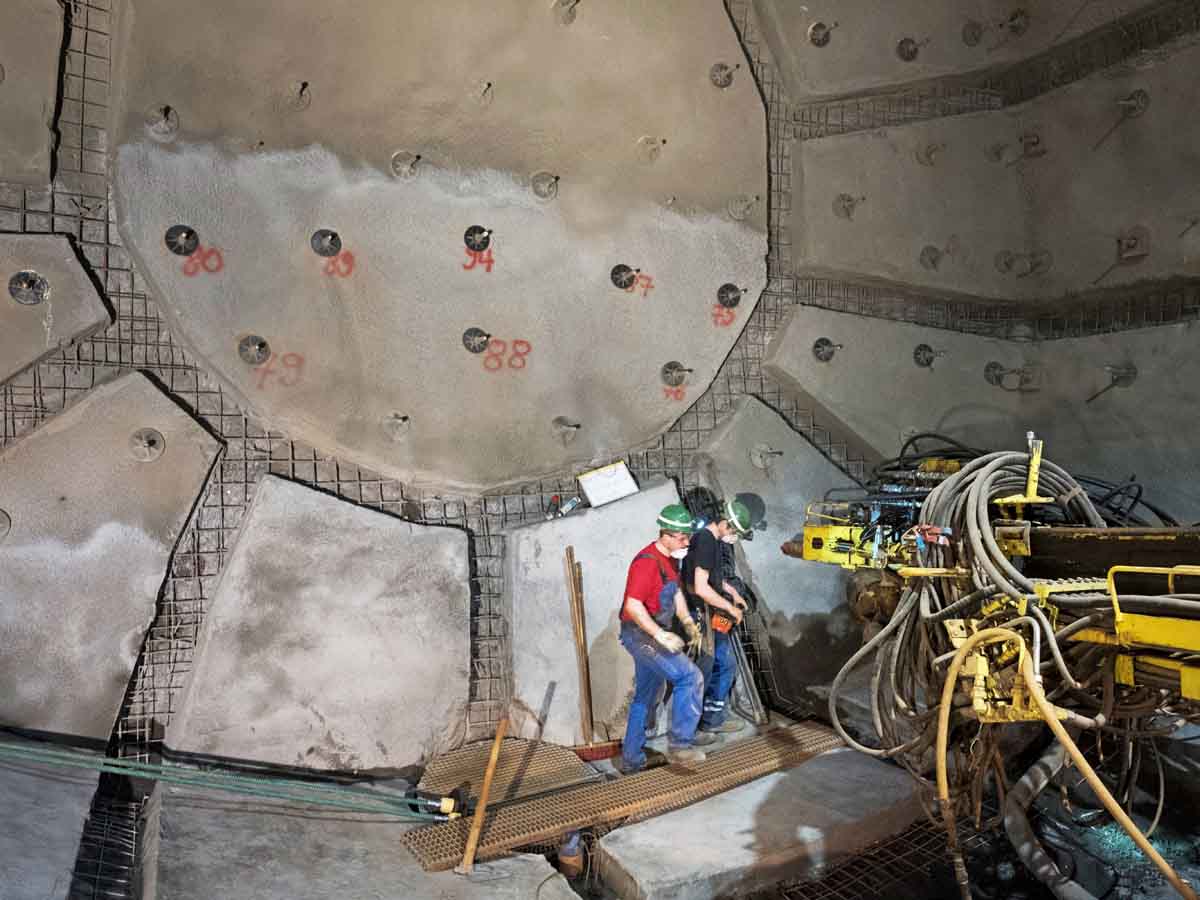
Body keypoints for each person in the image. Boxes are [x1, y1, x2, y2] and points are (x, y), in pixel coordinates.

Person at [616, 504, 713, 773]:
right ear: (666, 535)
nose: (687, 542)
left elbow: (676, 592)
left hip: (652, 633)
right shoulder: (646, 563)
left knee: (645, 696)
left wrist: (686, 621)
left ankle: (631, 760)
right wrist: (660, 635)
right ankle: (681, 746)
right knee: (690, 677)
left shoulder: (671, 558)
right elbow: (633, 606)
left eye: (688, 537)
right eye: (682, 537)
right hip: (641, 635)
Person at [683, 497, 753, 735]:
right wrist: (731, 608)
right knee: (703, 669)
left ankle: (711, 719)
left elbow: (711, 578)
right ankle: (691, 730)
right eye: (734, 532)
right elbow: (701, 588)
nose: (732, 537)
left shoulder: (708, 539)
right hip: (701, 615)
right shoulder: (706, 542)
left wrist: (732, 591)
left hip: (710, 614)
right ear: (727, 525)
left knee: (724, 664)